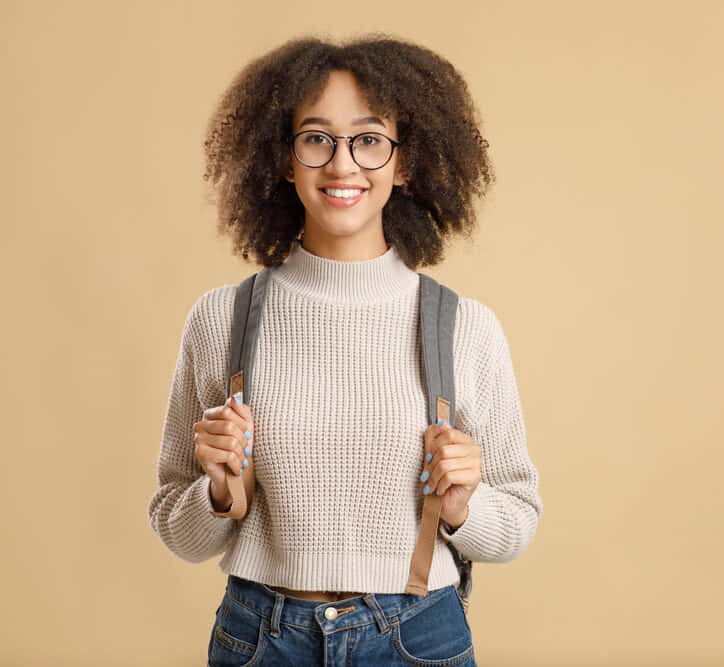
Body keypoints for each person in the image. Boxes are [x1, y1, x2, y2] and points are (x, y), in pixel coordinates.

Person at [147, 33, 543, 666]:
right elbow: (177, 527)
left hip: (416, 639)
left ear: (404, 163)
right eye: (316, 138)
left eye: (368, 140)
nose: (342, 165)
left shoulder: (465, 327)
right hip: (261, 639)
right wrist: (218, 495)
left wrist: (465, 506)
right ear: (284, 158)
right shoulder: (221, 319)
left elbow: (518, 521)